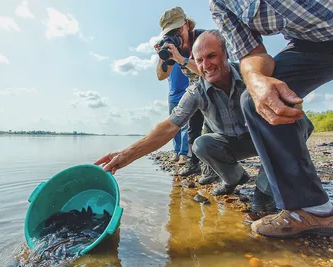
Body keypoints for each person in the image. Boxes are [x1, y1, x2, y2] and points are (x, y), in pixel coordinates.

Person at [95, 30, 312, 211]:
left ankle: (266, 188)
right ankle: (234, 178)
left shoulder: (250, 74)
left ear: (226, 54)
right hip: (234, 143)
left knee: (262, 202)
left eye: (212, 56)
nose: (206, 65)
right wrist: (125, 155)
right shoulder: (196, 91)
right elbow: (169, 126)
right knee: (201, 143)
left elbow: (291, 106)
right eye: (199, 60)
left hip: (269, 137)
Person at [209, 0, 333, 237]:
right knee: (255, 100)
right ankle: (312, 209)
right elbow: (252, 54)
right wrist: (255, 77)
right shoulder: (221, 5)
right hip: (311, 45)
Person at [155, 7, 217, 180]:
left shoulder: (204, 38)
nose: (175, 34)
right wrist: (164, 57)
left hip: (216, 86)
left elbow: (210, 72)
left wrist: (181, 59)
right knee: (192, 128)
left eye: (177, 29)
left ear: (186, 25)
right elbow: (161, 76)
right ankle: (193, 162)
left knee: (213, 128)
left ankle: (214, 166)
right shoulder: (173, 47)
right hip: (195, 89)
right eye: (170, 31)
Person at [167, 63, 190, 165]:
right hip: (172, 97)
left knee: (185, 126)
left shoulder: (183, 57)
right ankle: (176, 152)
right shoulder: (167, 60)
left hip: (185, 94)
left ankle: (183, 154)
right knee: (173, 126)